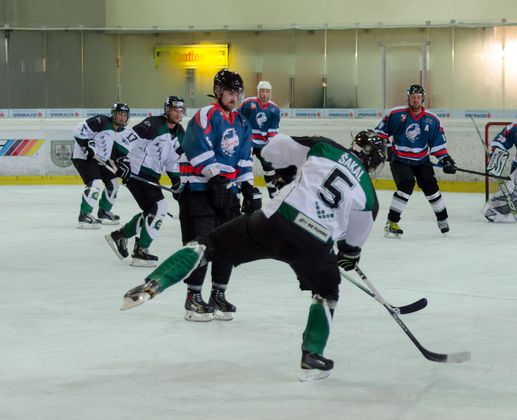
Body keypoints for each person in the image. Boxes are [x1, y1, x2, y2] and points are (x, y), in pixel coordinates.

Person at [120, 130, 387, 381]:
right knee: (327, 291)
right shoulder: (369, 196)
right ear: (375, 163)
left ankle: (155, 282)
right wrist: (347, 256)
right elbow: (352, 245)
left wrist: (287, 170)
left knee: (207, 245)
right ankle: (312, 355)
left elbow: (271, 148)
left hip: (276, 220)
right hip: (315, 242)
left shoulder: (325, 147)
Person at [174, 68, 259, 322]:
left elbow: (244, 160)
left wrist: (248, 188)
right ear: (218, 91)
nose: (234, 98)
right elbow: (196, 146)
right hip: (198, 192)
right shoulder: (206, 114)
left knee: (228, 245)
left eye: (238, 93)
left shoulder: (242, 123)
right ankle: (193, 298)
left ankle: (218, 295)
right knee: (200, 245)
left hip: (227, 193)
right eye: (230, 92)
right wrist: (216, 178)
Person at [105, 96, 186, 267]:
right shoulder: (153, 124)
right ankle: (141, 250)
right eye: (175, 109)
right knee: (159, 207)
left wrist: (176, 181)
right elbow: (124, 139)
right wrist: (120, 160)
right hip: (136, 173)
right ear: (167, 110)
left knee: (151, 210)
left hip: (152, 176)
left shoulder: (180, 133)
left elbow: (172, 160)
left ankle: (120, 236)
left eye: (181, 110)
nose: (178, 113)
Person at [375, 84, 457, 238]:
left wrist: (446, 160)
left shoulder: (432, 120)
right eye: (413, 97)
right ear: (408, 98)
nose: (416, 100)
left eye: (418, 97)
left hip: (421, 160)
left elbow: (437, 144)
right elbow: (380, 133)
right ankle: (391, 223)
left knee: (431, 187)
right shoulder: (396, 114)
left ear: (423, 99)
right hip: (400, 159)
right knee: (406, 185)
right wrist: (388, 149)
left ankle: (442, 219)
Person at [71, 103, 130, 228]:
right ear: (113, 114)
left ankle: (104, 212)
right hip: (83, 157)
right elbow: (78, 130)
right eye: (119, 114)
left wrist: (124, 165)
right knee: (95, 183)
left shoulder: (122, 132)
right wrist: (87, 144)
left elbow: (118, 151)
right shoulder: (101, 121)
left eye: (125, 115)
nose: (122, 117)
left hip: (100, 160)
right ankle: (84, 216)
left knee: (113, 183)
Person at [239, 80, 281, 198]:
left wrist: (270, 143)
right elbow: (239, 119)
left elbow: (274, 128)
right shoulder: (248, 103)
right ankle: (238, 189)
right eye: (262, 91)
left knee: (269, 168)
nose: (264, 94)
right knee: (243, 166)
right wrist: (242, 138)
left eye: (267, 91)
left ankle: (272, 191)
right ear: (258, 92)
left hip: (264, 144)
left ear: (270, 92)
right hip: (248, 142)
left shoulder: (274, 109)